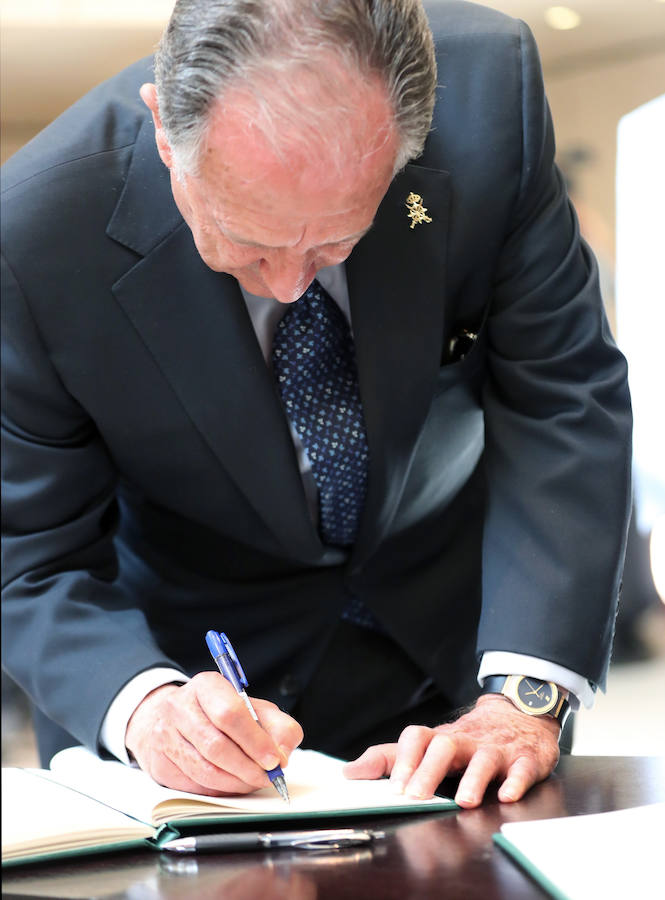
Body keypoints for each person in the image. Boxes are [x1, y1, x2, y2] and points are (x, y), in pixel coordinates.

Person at [1, 0, 631, 809]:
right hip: (187, 680)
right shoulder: (36, 234)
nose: (292, 285)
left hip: (457, 660)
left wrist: (523, 695)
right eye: (249, 244)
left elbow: (562, 397)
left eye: (336, 241)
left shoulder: (489, 103)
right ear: (166, 133)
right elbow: (29, 554)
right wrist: (147, 706)